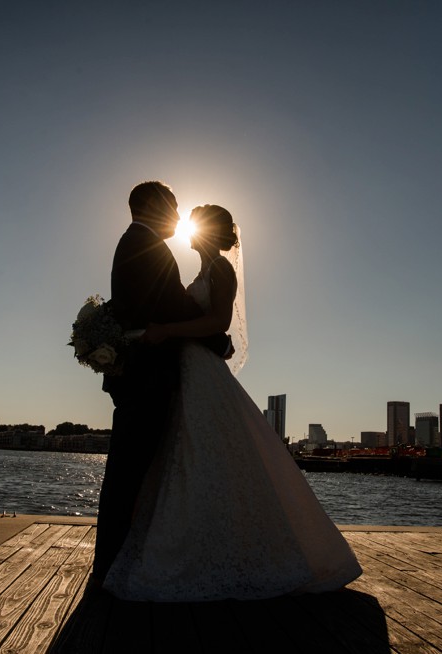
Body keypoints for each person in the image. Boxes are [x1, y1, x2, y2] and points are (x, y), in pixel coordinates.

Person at [102, 204, 362, 601]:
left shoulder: (220, 269)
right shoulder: (202, 271)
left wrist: (165, 330)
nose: (187, 228)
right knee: (188, 458)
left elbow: (217, 323)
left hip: (200, 370)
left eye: (195, 222)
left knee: (207, 454)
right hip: (185, 369)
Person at [95, 182, 230, 582]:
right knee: (130, 475)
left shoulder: (139, 243)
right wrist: (219, 341)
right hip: (147, 377)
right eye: (172, 207)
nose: (176, 215)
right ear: (154, 206)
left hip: (148, 375)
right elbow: (171, 307)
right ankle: (112, 568)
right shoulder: (145, 246)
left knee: (137, 474)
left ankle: (121, 562)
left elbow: (158, 309)